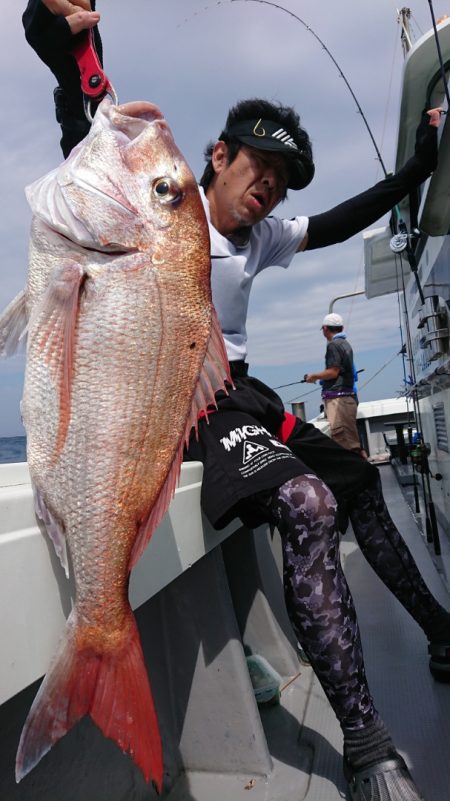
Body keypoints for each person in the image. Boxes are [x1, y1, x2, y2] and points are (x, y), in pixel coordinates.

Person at [22, 3, 450, 800]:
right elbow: (85, 123)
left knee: (355, 479)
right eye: (260, 172)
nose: (268, 193)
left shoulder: (264, 237)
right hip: (190, 402)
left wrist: (421, 163)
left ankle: (439, 629)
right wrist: (61, 39)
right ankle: (365, 739)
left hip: (244, 394)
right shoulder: (157, 204)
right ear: (217, 157)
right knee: (309, 501)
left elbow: (349, 213)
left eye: (280, 186)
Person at [305, 312, 366, 456]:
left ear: (325, 328)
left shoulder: (333, 345)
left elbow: (333, 372)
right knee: (352, 442)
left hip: (339, 401)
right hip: (347, 398)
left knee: (346, 444)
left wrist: (313, 376)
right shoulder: (345, 344)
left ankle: (358, 476)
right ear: (342, 327)